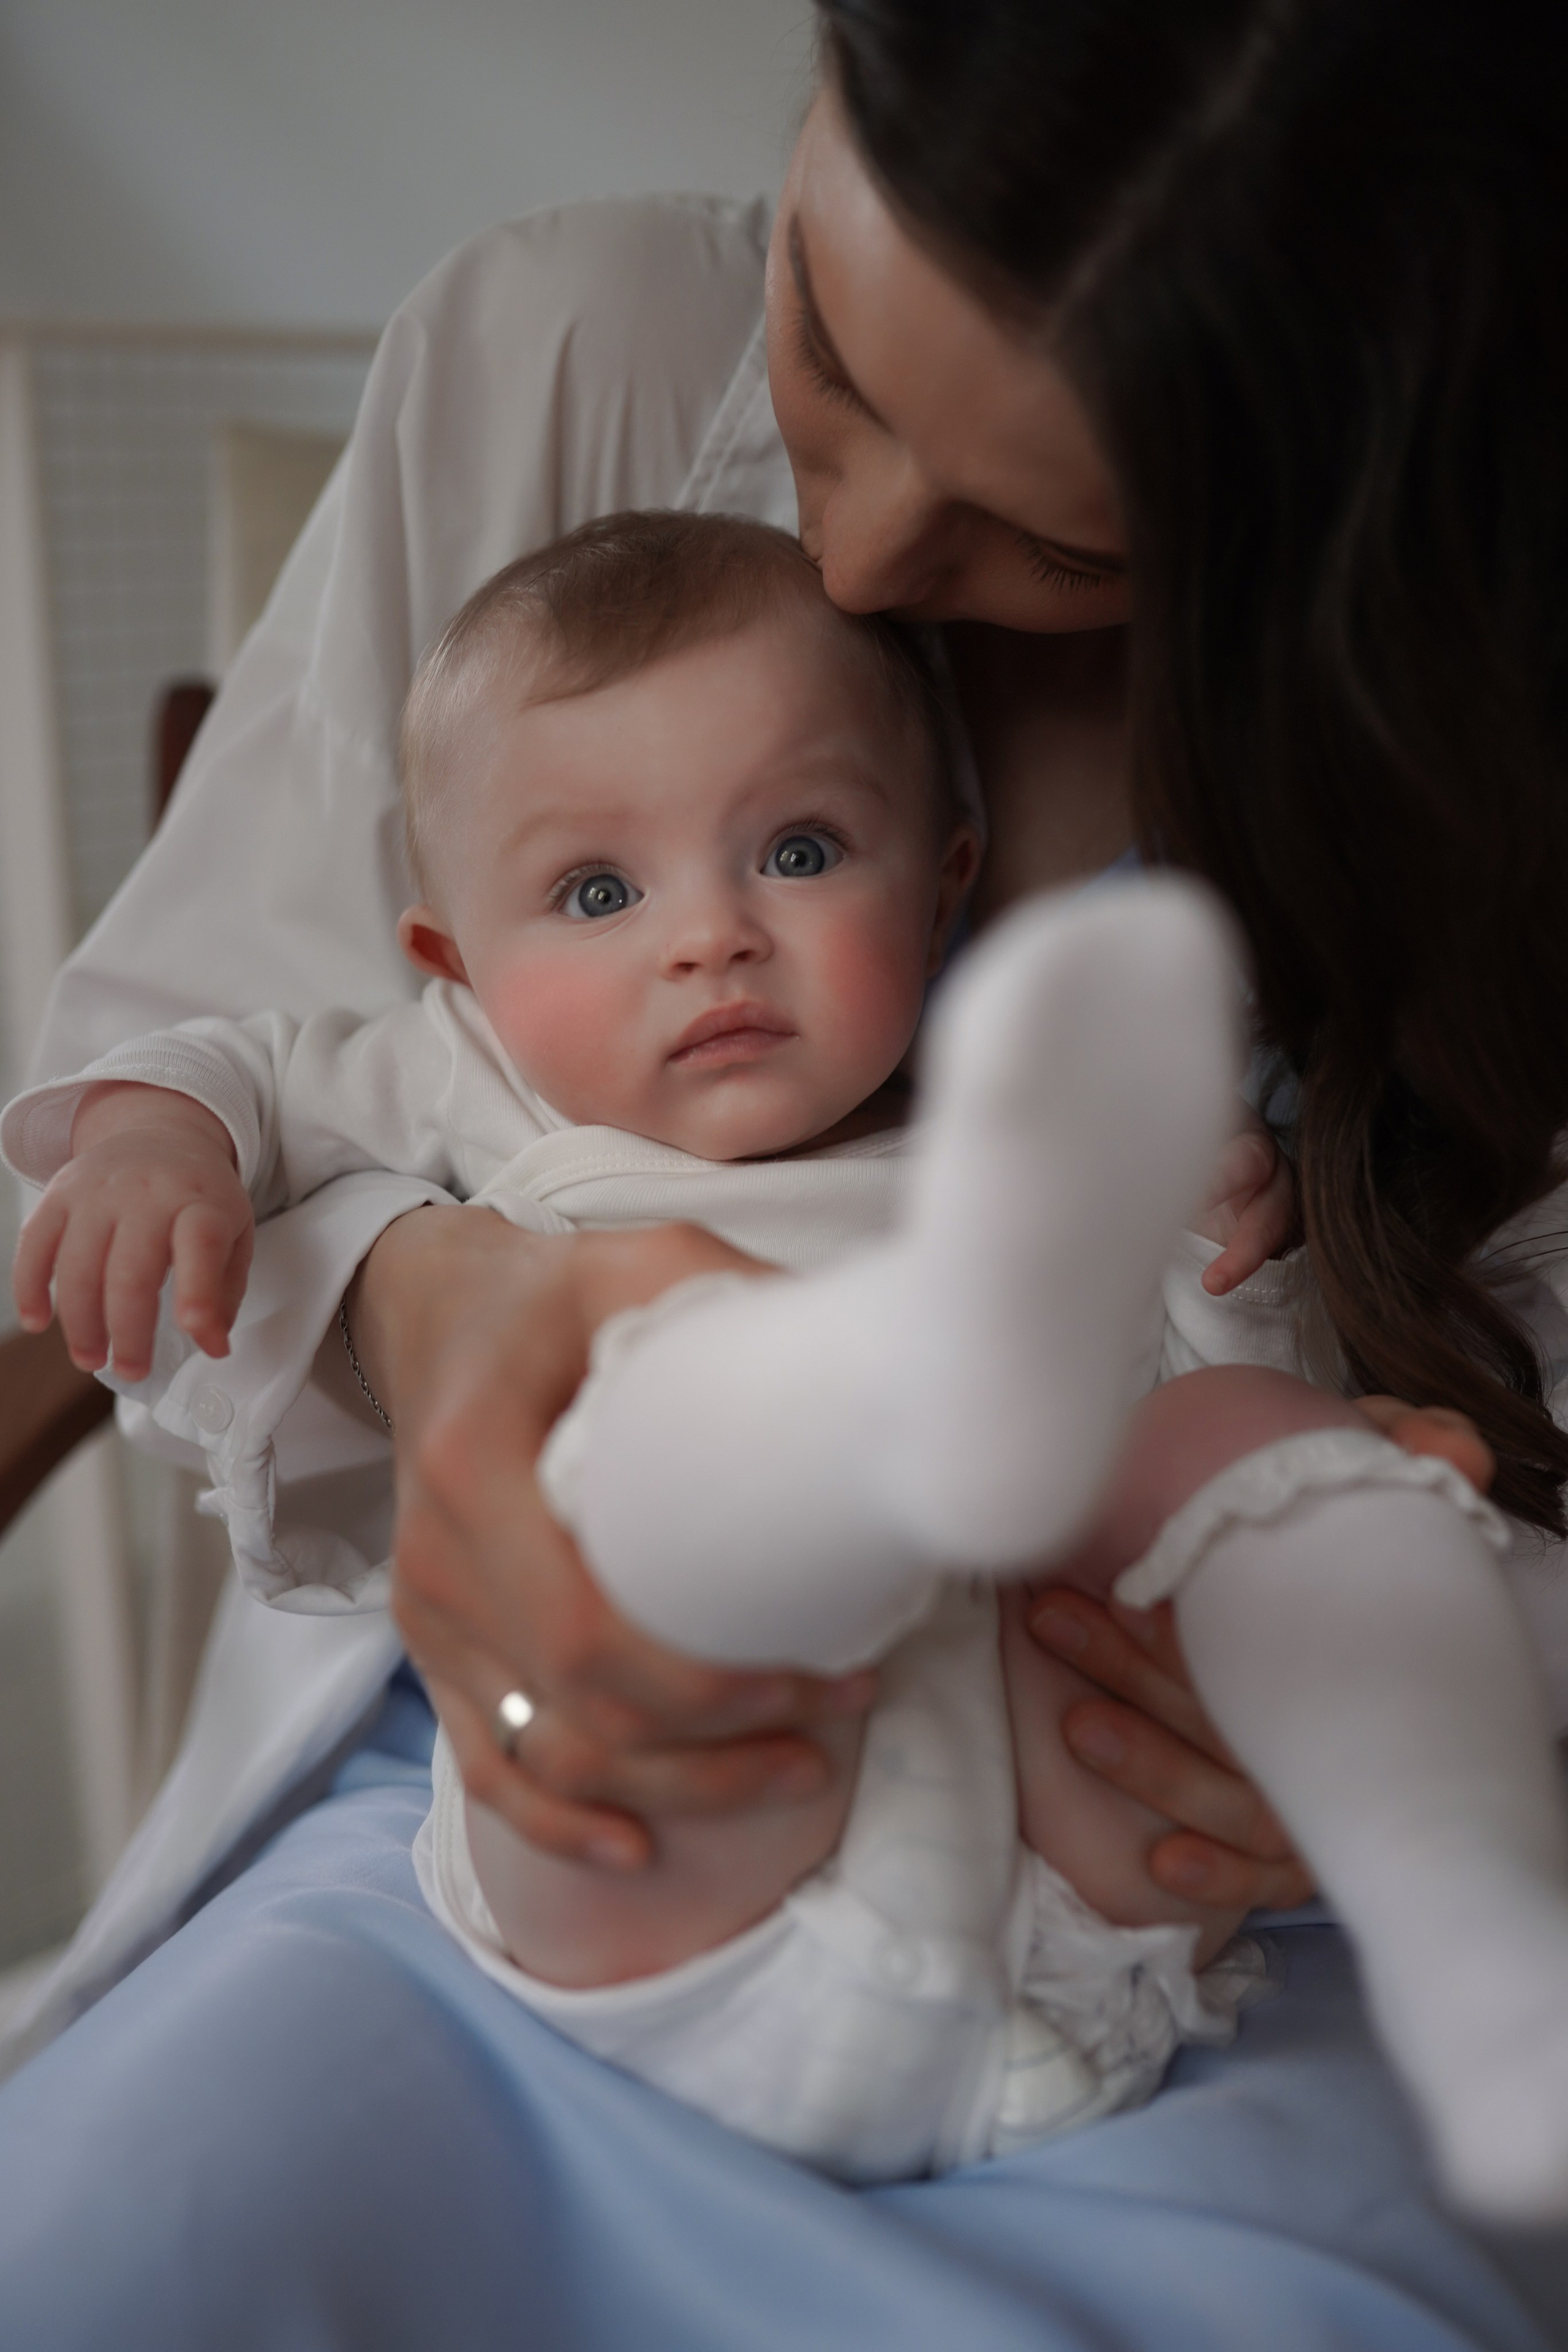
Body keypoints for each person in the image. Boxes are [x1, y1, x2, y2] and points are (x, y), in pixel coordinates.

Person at [1, 1, 1564, 2343]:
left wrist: (1399, 1584)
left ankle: (1491, 1960)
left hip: (1159, 1899)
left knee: (1266, 1472)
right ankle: (909, 1391)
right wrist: (423, 1312)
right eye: (835, 346)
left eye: (1054, 536)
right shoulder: (560, 367)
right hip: (607, 1796)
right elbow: (195, 1094)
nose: (855, 539)